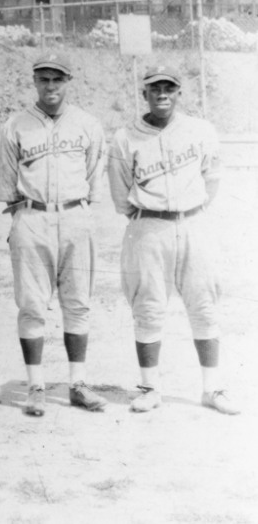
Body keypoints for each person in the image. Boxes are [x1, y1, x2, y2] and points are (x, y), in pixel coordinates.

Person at [108, 65, 240, 415]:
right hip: (148, 226)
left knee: (204, 304)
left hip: (193, 223)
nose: (162, 94)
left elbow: (212, 180)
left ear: (179, 93)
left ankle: (212, 389)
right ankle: (150, 387)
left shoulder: (200, 130)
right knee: (148, 307)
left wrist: (189, 210)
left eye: (169, 88)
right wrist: (151, 215)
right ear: (144, 94)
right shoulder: (126, 137)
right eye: (155, 88)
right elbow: (120, 195)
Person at [0, 53, 107, 416]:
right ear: (34, 82)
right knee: (31, 305)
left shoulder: (87, 124)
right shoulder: (15, 125)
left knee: (77, 303)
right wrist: (25, 217)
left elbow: (94, 176)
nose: (50, 86)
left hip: (75, 215)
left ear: (68, 81)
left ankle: (77, 383)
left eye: (57, 79)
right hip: (32, 216)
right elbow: (8, 185)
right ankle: (36, 386)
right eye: (43, 79)